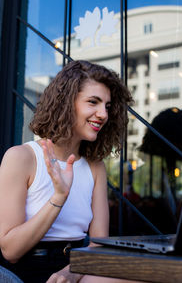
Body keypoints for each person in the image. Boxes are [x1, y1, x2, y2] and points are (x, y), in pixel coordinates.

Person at [0, 60, 142, 283]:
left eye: (107, 106)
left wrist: (73, 271)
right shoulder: (22, 158)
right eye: (93, 102)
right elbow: (11, 251)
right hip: (25, 271)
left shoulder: (95, 166)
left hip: (77, 264)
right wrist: (58, 197)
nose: (103, 114)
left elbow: (98, 243)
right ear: (67, 103)